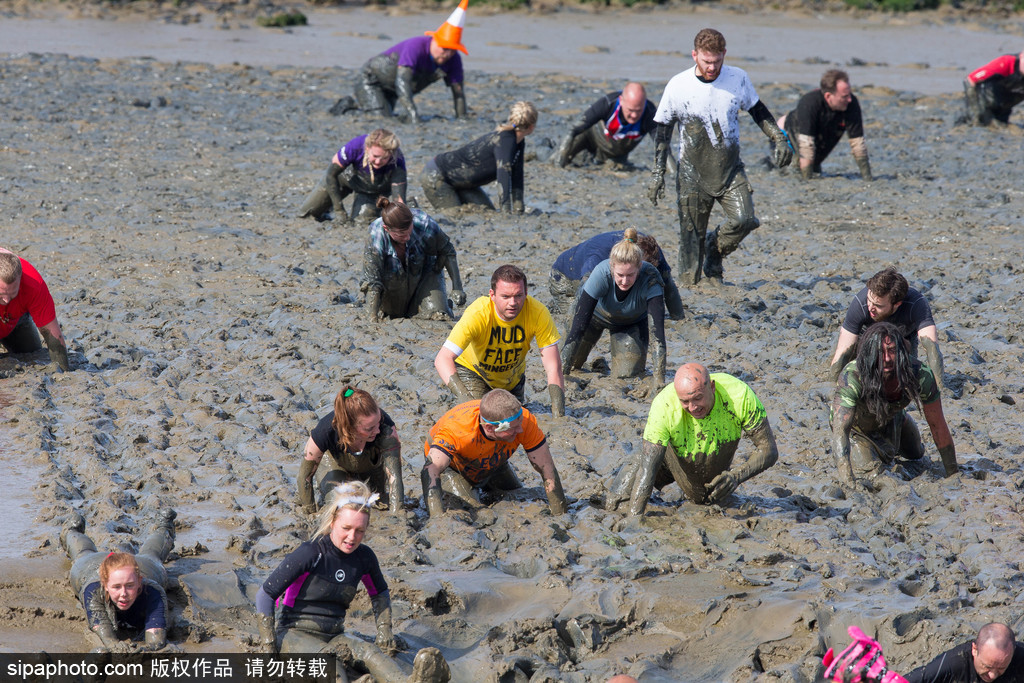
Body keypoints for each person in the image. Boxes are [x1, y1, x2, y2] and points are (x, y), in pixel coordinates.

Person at [256, 481, 450, 683]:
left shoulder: (364, 558)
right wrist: (270, 650)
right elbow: (265, 595)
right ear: (332, 522)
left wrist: (384, 632)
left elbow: (380, 593)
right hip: (293, 635)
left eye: (360, 531)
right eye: (346, 528)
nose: (352, 537)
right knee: (330, 665)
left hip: (335, 635)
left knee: (369, 652)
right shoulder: (310, 552)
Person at [647, 28, 792, 286]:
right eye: (706, 61)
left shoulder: (738, 78)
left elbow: (759, 112)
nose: (712, 67)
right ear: (695, 55)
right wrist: (658, 174)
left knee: (745, 219)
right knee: (691, 239)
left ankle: (714, 251)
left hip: (730, 171)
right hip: (692, 173)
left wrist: (779, 138)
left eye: (716, 61)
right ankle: (690, 285)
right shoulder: (678, 85)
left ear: (724, 54)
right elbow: (662, 134)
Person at [606, 363, 779, 515]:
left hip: (709, 464)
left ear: (712, 387)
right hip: (669, 457)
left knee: (703, 499)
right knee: (619, 500)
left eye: (698, 398)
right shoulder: (663, 404)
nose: (693, 407)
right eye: (685, 401)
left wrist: (735, 477)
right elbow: (648, 468)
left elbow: (769, 450)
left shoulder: (739, 395)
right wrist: (635, 519)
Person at [830, 322, 957, 485]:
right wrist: (848, 481)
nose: (887, 359)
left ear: (902, 352)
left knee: (917, 455)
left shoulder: (919, 373)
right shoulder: (853, 375)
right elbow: (841, 429)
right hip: (857, 429)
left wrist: (953, 475)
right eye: (880, 352)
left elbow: (938, 425)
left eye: (892, 351)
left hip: (893, 418)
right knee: (874, 475)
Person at [434, 264, 565, 416]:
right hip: (474, 372)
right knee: (478, 416)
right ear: (492, 295)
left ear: (526, 293)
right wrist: (465, 399)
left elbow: (553, 366)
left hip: (512, 379)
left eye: (518, 295)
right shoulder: (478, 313)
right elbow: (442, 359)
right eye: (506, 297)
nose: (513, 303)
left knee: (513, 421)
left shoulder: (539, 313)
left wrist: (559, 415)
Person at [421, 389, 568, 518]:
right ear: (490, 428)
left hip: (494, 460)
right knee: (475, 513)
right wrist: (436, 518)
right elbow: (430, 469)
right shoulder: (457, 430)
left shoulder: (524, 421)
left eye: (520, 423)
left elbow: (546, 467)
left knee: (517, 496)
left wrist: (560, 513)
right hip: (454, 468)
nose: (520, 431)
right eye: (513, 428)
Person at [560, 228, 668, 390]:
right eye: (620, 275)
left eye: (630, 275)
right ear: (612, 267)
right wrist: (562, 375)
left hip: (630, 323)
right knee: (572, 364)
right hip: (593, 317)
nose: (625, 281)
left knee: (627, 377)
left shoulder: (651, 278)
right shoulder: (601, 273)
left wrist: (659, 380)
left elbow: (658, 335)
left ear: (640, 267)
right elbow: (578, 327)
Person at [332, 0, 469, 124]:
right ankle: (348, 105)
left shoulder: (454, 59)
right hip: (372, 80)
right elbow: (402, 81)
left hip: (393, 90)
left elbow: (458, 92)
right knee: (381, 119)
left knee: (387, 116)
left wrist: (462, 118)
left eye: (452, 50)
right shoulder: (415, 47)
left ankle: (361, 104)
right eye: (444, 49)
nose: (447, 54)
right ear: (435, 41)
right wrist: (414, 116)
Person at [61, 508, 177, 652]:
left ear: (140, 581)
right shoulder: (93, 590)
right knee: (83, 552)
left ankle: (165, 526)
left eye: (129, 586)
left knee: (153, 555)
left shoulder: (153, 591)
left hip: (144, 566)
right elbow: (108, 639)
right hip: (90, 565)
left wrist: (146, 651)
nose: (124, 593)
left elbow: (157, 641)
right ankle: (72, 530)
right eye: (116, 587)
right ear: (105, 585)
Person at [828, 267, 943, 390]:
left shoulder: (917, 304)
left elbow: (932, 349)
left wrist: (939, 389)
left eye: (878, 305)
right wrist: (832, 388)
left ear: (896, 304)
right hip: (864, 337)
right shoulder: (860, 304)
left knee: (905, 379)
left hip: (901, 339)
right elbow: (842, 353)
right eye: (869, 300)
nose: (870, 307)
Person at [297, 386, 404, 516]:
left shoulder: (386, 427)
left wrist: (397, 514)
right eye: (369, 428)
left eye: (378, 422)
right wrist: (309, 512)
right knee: (339, 505)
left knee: (378, 502)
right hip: (336, 465)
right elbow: (305, 477)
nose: (377, 430)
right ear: (349, 428)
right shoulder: (325, 432)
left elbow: (394, 476)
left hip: (371, 465)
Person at [421, 101, 537, 213]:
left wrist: (519, 211)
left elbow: (517, 176)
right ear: (532, 127)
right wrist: (506, 214)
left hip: (466, 184)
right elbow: (503, 178)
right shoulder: (504, 140)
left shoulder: (519, 142)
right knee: (454, 215)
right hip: (438, 176)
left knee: (487, 213)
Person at [361, 198, 465, 321]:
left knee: (438, 316)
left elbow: (448, 251)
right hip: (392, 283)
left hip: (424, 274)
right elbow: (372, 282)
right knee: (394, 315)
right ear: (386, 229)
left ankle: (440, 302)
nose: (408, 237)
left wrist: (457, 287)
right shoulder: (375, 237)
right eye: (401, 235)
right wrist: (372, 318)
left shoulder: (424, 223)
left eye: (409, 231)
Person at [549, 229, 684, 319]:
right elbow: (583, 295)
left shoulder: (653, 251)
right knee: (595, 318)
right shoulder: (597, 258)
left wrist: (678, 317)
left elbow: (668, 285)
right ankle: (555, 306)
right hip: (565, 278)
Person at [776, 69, 872, 181]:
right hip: (786, 134)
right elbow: (806, 145)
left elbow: (858, 143)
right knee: (793, 172)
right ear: (828, 96)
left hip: (817, 138)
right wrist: (808, 181)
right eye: (844, 96)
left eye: (849, 94)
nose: (849, 99)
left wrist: (867, 178)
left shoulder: (851, 104)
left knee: (815, 170)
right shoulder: (810, 102)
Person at [298, 129, 407, 225]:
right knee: (306, 214)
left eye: (384, 158)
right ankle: (328, 208)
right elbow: (330, 174)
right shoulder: (355, 146)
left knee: (362, 223)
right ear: (368, 148)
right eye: (375, 156)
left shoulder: (398, 161)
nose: (378, 162)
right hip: (347, 178)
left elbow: (399, 201)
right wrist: (339, 210)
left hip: (373, 190)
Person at [549, 82, 658, 168]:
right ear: (621, 101)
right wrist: (559, 163)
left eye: (639, 111)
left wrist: (671, 174)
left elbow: (663, 146)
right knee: (556, 157)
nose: (634, 115)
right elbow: (572, 130)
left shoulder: (650, 112)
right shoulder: (608, 103)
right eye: (630, 110)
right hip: (591, 137)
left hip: (615, 153)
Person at [1, 248, 69, 371]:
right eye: (1, 294)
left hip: (14, 319)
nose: (6, 300)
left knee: (32, 356)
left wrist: (64, 374)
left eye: (12, 294)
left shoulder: (34, 284)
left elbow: (52, 335)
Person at [905, 623, 1024, 683]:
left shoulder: (1020, 657)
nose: (993, 675)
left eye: (1001, 668)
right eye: (987, 666)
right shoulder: (954, 663)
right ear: (974, 650)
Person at [963, 51, 1024, 126]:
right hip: (985, 98)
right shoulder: (1005, 63)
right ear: (1021, 56)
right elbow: (969, 80)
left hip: (1006, 100)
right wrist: (974, 115)